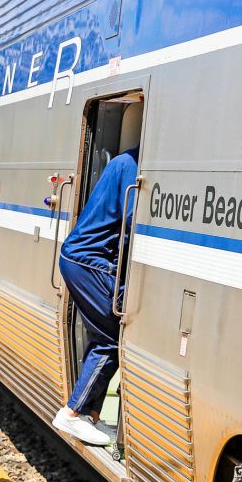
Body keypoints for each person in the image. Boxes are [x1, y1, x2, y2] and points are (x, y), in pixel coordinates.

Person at [51, 146, 140, 447]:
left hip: (83, 259)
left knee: (102, 333)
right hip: (89, 261)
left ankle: (91, 415)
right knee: (112, 339)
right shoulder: (133, 163)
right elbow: (132, 220)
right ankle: (72, 414)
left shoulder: (123, 160)